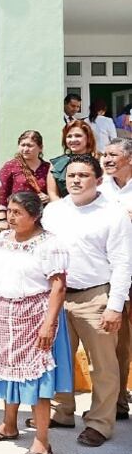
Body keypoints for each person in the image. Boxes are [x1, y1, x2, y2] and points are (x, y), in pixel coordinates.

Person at [42, 154, 132, 447]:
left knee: (103, 366)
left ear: (98, 180)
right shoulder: (54, 212)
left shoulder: (113, 214)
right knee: (58, 361)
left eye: (83, 175)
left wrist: (115, 305)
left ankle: (99, 423)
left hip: (95, 298)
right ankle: (63, 411)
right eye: (71, 176)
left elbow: (122, 263)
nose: (76, 181)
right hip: (57, 297)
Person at [0, 192, 71, 454]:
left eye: (18, 212)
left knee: (35, 378)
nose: (11, 216)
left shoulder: (49, 244)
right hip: (1, 314)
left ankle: (42, 441)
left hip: (33, 316)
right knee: (8, 374)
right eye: (9, 211)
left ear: (35, 215)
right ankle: (9, 425)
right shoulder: (1, 240)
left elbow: (58, 286)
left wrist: (48, 323)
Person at [100, 137, 132, 420]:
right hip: (115, 276)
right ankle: (119, 402)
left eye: (113, 155)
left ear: (129, 159)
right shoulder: (100, 191)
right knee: (119, 343)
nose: (107, 159)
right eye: (105, 155)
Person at [0, 131, 54, 227]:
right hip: (17, 217)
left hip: (42, 218)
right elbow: (1, 194)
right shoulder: (10, 166)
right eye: (22, 145)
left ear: (40, 148)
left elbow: (54, 192)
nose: (25, 149)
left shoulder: (48, 168)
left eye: (30, 145)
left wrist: (48, 198)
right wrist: (2, 219)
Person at [49, 120, 98, 199]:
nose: (73, 140)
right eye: (69, 136)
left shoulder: (99, 161)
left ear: (88, 138)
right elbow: (52, 193)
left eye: (78, 136)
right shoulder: (56, 164)